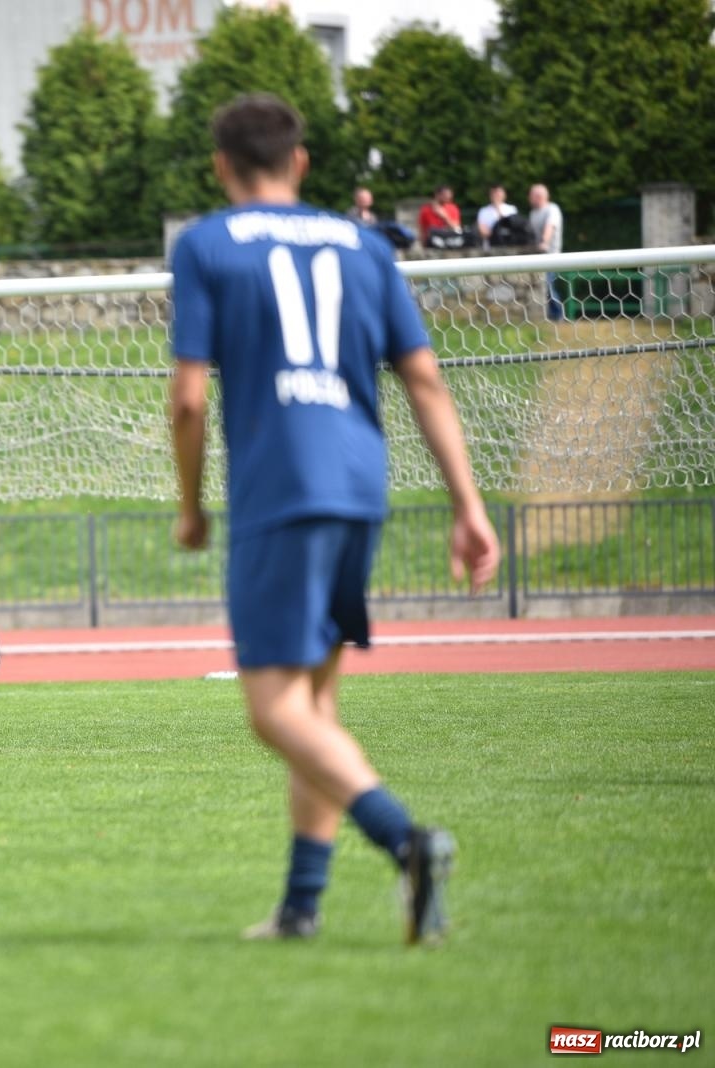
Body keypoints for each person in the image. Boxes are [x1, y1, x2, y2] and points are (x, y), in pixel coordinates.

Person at [167, 93, 501, 944]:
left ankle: (406, 840)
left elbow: (187, 400)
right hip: (360, 487)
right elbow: (424, 379)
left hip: (281, 489)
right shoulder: (364, 243)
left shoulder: (206, 243)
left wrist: (192, 506)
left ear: (220, 166)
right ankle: (301, 908)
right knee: (314, 706)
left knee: (272, 712)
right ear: (302, 161)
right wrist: (468, 505)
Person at [528, 183, 567, 320]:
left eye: (531, 195)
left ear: (539, 196)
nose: (529, 198)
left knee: (548, 286)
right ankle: (552, 315)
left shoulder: (552, 209)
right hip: (538, 256)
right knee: (544, 287)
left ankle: (558, 315)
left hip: (551, 256)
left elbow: (550, 227)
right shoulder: (533, 213)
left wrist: (544, 242)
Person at [475, 184, 518, 249]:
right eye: (494, 193)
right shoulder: (483, 211)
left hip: (509, 245)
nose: (496, 195)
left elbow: (513, 227)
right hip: (490, 247)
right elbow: (483, 231)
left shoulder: (511, 209)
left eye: (498, 193)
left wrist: (498, 209)